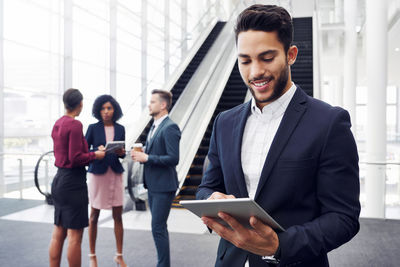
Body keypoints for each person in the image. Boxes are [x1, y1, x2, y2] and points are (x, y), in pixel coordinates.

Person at [197, 4, 360, 267]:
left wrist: (278, 245)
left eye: (267, 57)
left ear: (291, 54)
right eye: (245, 61)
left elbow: (343, 217)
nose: (255, 72)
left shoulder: (329, 123)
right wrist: (210, 199)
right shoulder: (224, 123)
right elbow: (206, 186)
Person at [49, 88, 105, 267]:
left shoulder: (58, 123)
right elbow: (75, 158)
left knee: (59, 232)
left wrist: (89, 152)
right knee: (75, 236)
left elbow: (68, 154)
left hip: (59, 180)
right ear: (80, 104)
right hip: (73, 183)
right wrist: (95, 155)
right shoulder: (75, 125)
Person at [131, 89, 181, 267]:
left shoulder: (170, 127)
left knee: (158, 228)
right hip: (153, 185)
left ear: (163, 105)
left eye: (152, 102)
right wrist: (145, 152)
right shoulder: (155, 126)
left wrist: (148, 158)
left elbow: (174, 158)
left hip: (164, 186)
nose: (149, 105)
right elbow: (159, 152)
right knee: (158, 227)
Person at [85, 95, 127, 267]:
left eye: (109, 108)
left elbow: (123, 152)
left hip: (115, 173)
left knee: (118, 215)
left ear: (114, 110)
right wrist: (97, 150)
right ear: (98, 110)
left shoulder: (121, 128)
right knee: (94, 216)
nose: (106, 111)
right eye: (103, 108)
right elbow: (85, 151)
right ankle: (92, 256)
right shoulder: (92, 128)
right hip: (98, 175)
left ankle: (119, 255)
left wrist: (121, 152)